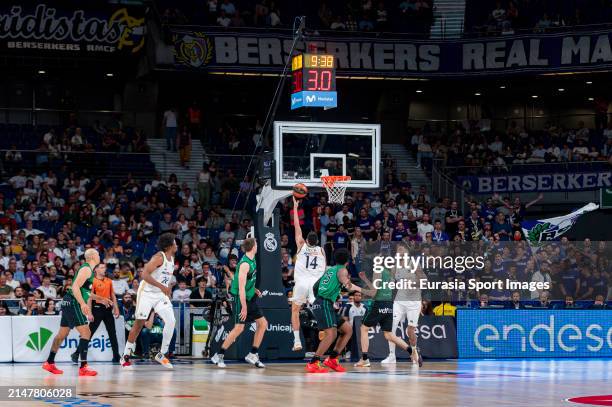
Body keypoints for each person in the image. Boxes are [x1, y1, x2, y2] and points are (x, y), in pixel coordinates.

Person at [120, 233, 177, 369]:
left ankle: (161, 354)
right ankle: (126, 356)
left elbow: (164, 277)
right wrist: (162, 286)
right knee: (139, 323)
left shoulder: (172, 258)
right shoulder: (158, 257)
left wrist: (166, 289)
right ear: (169, 246)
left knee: (171, 321)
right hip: (146, 293)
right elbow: (144, 274)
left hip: (160, 295)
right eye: (175, 243)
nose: (177, 245)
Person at [356, 250, 421, 368]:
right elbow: (379, 288)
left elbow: (374, 293)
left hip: (379, 304)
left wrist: (357, 288)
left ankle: (364, 359)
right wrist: (365, 279)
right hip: (389, 304)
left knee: (363, 328)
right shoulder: (391, 273)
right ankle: (412, 352)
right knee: (389, 335)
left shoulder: (378, 270)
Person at [42, 248, 100, 376]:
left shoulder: (88, 270)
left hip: (67, 302)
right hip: (73, 302)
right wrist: (83, 303)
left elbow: (85, 292)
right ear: (92, 257)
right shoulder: (86, 269)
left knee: (62, 334)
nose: (99, 256)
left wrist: (102, 299)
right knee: (86, 332)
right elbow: (74, 287)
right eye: (98, 254)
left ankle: (49, 362)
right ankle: (83, 367)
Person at [211, 238, 267, 368]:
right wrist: (244, 307)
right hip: (240, 299)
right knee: (239, 328)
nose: (258, 246)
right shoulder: (245, 264)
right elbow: (241, 288)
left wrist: (254, 289)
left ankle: (253, 354)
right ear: (253, 247)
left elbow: (248, 281)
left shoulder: (252, 259)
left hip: (250, 297)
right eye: (257, 244)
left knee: (263, 324)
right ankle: (218, 355)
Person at [306, 248, 361, 374]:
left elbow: (315, 286)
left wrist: (327, 296)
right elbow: (349, 286)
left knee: (347, 330)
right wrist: (366, 291)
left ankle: (332, 359)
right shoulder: (342, 270)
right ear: (347, 260)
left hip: (324, 303)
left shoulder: (330, 270)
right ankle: (313, 362)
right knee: (331, 334)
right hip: (324, 303)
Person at [290, 197, 326, 352]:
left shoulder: (301, 245)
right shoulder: (321, 250)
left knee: (295, 311)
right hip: (315, 284)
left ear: (306, 240)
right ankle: (322, 329)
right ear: (317, 241)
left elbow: (297, 226)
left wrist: (295, 206)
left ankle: (297, 341)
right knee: (318, 309)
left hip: (302, 283)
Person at [381, 244, 424, 366]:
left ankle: (414, 353)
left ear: (407, 252)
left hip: (414, 302)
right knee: (390, 327)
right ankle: (391, 356)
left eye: (401, 249)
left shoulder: (414, 264)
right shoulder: (395, 267)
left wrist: (413, 283)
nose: (399, 251)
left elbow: (423, 280)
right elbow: (391, 284)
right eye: (397, 249)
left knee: (410, 331)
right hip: (399, 301)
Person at [71, 264, 120, 363]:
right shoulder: (92, 281)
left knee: (112, 333)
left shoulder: (109, 281)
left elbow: (113, 295)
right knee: (89, 333)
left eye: (104, 267)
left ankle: (116, 356)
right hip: (96, 309)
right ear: (96, 270)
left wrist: (116, 308)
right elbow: (89, 297)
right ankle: (76, 353)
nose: (104, 269)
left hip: (107, 309)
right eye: (101, 267)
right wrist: (89, 313)